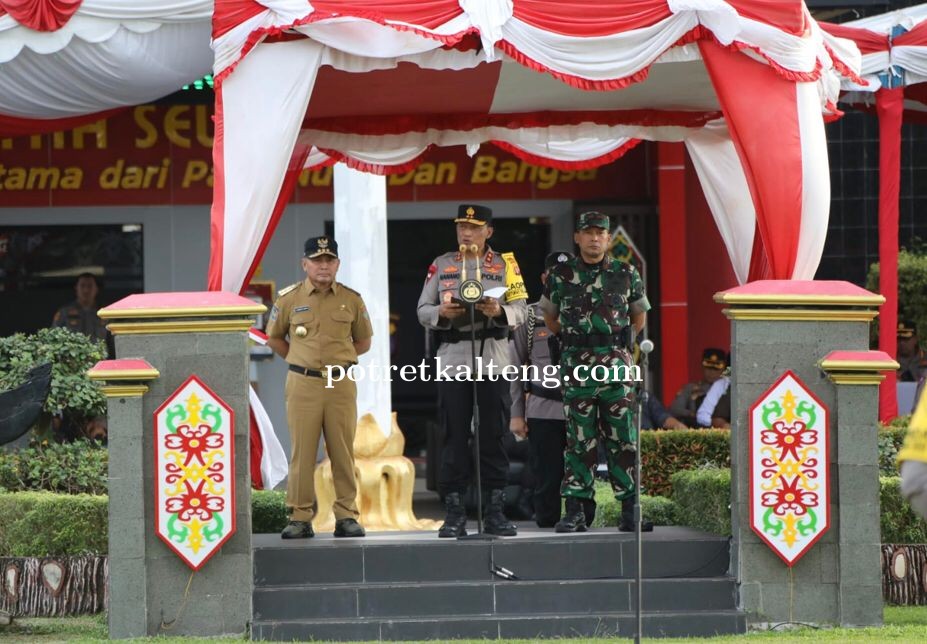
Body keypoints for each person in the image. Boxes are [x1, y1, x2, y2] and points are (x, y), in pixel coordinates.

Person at [417, 204, 528, 537]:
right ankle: (454, 512)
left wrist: (499, 309)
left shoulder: (506, 264)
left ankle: (494, 510)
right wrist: (441, 312)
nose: (466, 233)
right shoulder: (442, 263)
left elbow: (523, 310)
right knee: (453, 434)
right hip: (454, 356)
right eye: (461, 226)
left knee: (494, 433)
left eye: (474, 227)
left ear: (489, 231)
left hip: (494, 355)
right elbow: (422, 309)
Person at [540, 211, 652, 533]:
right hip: (576, 366)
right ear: (577, 237)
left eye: (599, 233)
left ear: (607, 238)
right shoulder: (561, 274)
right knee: (579, 440)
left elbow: (638, 317)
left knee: (623, 439)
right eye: (587, 232)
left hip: (615, 367)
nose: (593, 238)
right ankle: (575, 511)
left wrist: (617, 347)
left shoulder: (625, 272)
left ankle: (631, 509)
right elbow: (550, 317)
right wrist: (578, 340)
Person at [266, 236, 373, 539]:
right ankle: (299, 517)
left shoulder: (351, 299)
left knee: (342, 450)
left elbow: (363, 341)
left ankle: (346, 516)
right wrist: (301, 360)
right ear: (305, 264)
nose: (323, 266)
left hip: (339, 382)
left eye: (329, 260)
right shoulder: (289, 299)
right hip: (303, 383)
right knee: (302, 453)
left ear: (337, 264)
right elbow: (274, 337)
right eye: (317, 260)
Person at [509, 250, 582, 528]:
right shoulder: (528, 317)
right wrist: (517, 414)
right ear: (544, 278)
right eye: (554, 275)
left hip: (581, 407)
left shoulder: (587, 312)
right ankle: (547, 522)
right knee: (547, 475)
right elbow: (515, 367)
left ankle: (579, 517)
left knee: (581, 471)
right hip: (542, 406)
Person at [669, 348, 727, 427]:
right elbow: (675, 409)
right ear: (702, 367)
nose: (711, 372)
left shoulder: (727, 389)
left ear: (723, 369)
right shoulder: (690, 388)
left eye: (715, 369)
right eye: (708, 368)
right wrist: (694, 414)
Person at [51, 273, 107, 342]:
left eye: (90, 286)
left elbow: (112, 340)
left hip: (100, 352)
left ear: (96, 289)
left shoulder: (105, 313)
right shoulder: (64, 312)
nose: (86, 290)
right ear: (76, 288)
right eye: (82, 286)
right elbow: (53, 337)